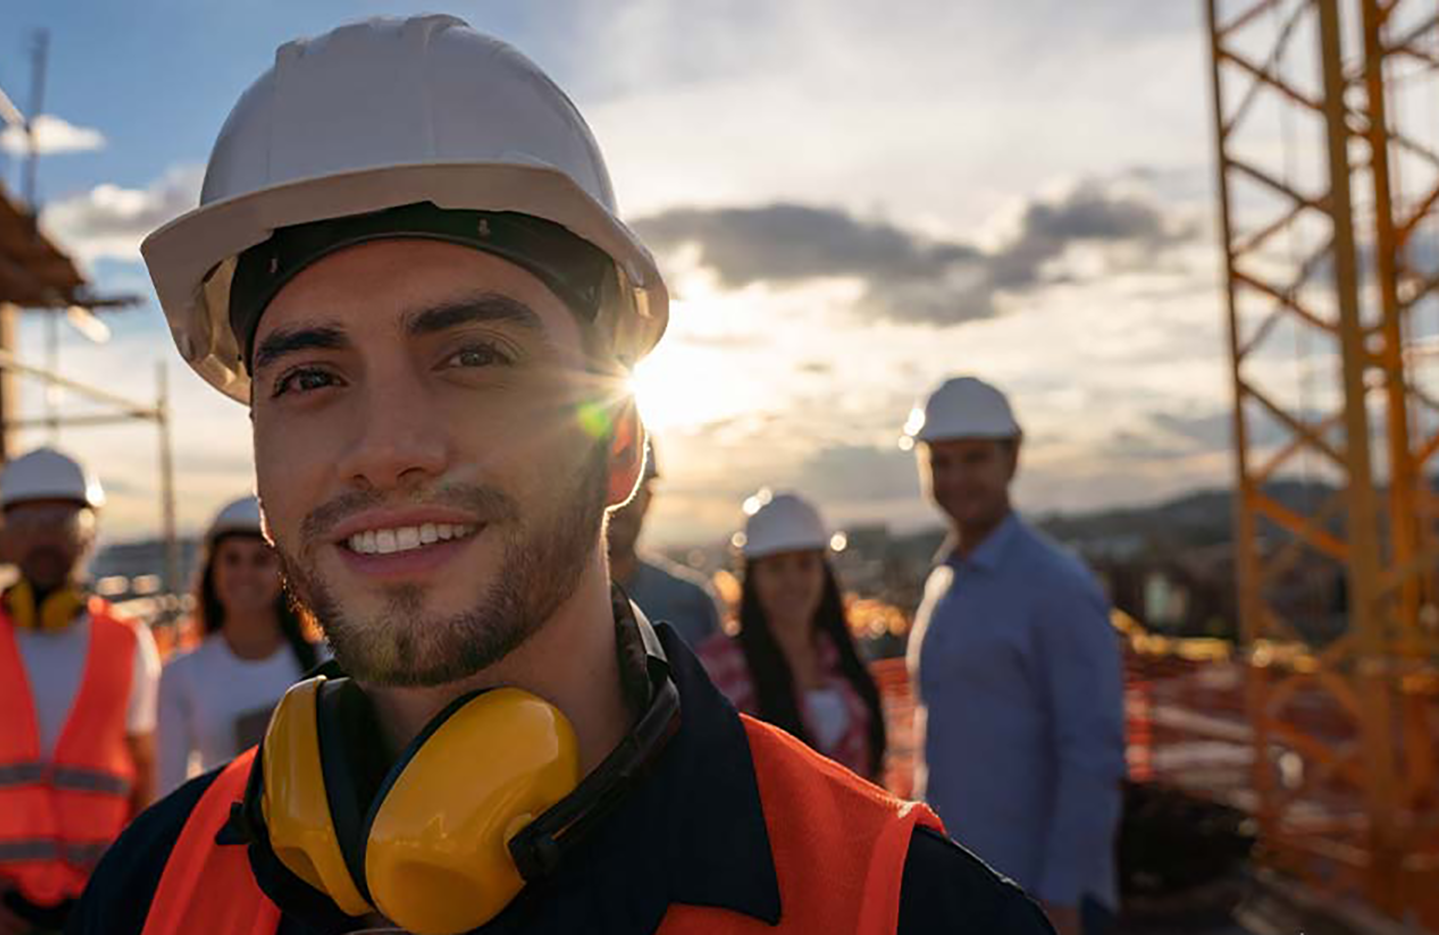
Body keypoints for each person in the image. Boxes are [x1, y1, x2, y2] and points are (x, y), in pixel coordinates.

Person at [74, 16, 1052, 935]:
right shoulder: (153, 891)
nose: (387, 445)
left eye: (474, 357)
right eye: (312, 376)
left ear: (619, 440)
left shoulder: (891, 904)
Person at [0, 447, 160, 935]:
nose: (43, 536)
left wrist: (130, 880)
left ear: (89, 533)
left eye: (60, 520)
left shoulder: (129, 642)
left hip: (96, 903)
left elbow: (148, 772)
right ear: (3, 534)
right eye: (27, 521)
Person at [903, 376, 1125, 935]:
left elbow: (1092, 753)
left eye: (974, 458)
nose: (956, 478)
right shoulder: (944, 583)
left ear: (1013, 456)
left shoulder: (1056, 586)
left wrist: (1063, 898)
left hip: (1039, 903)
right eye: (941, 461)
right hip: (966, 888)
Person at [698, 491, 888, 783]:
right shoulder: (719, 667)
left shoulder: (840, 656)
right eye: (775, 567)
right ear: (752, 578)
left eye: (805, 564)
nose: (793, 581)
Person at [156, 496, 321, 794]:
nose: (244, 573)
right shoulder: (180, 675)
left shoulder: (327, 662)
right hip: (224, 839)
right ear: (212, 572)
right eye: (232, 559)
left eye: (260, 560)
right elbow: (168, 792)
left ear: (286, 573)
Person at [605, 441, 724, 648]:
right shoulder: (541, 608)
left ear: (648, 499)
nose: (616, 504)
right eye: (602, 487)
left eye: (628, 490)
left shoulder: (693, 605)